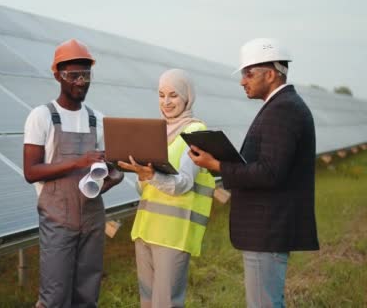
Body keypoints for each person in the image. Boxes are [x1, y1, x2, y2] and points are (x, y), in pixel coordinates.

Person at [188, 38, 319, 307]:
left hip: (267, 229)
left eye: (249, 73)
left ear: (270, 74)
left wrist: (217, 166)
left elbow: (270, 173)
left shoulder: (283, 109)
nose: (242, 81)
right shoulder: (282, 106)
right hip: (267, 228)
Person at [23, 38, 124, 308]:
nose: (81, 81)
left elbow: (112, 167)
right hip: (58, 219)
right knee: (54, 296)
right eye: (73, 75)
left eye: (86, 74)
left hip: (92, 217)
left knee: (87, 294)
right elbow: (31, 171)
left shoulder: (98, 119)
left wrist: (113, 178)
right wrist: (79, 161)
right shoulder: (41, 116)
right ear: (57, 75)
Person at [118, 69, 216, 307]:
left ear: (186, 97)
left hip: (174, 232)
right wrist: (141, 175)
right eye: (161, 95)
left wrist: (151, 175)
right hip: (145, 230)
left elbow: (183, 183)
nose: (166, 102)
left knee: (166, 303)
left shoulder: (196, 131)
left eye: (173, 95)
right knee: (148, 302)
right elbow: (144, 191)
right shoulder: (156, 131)